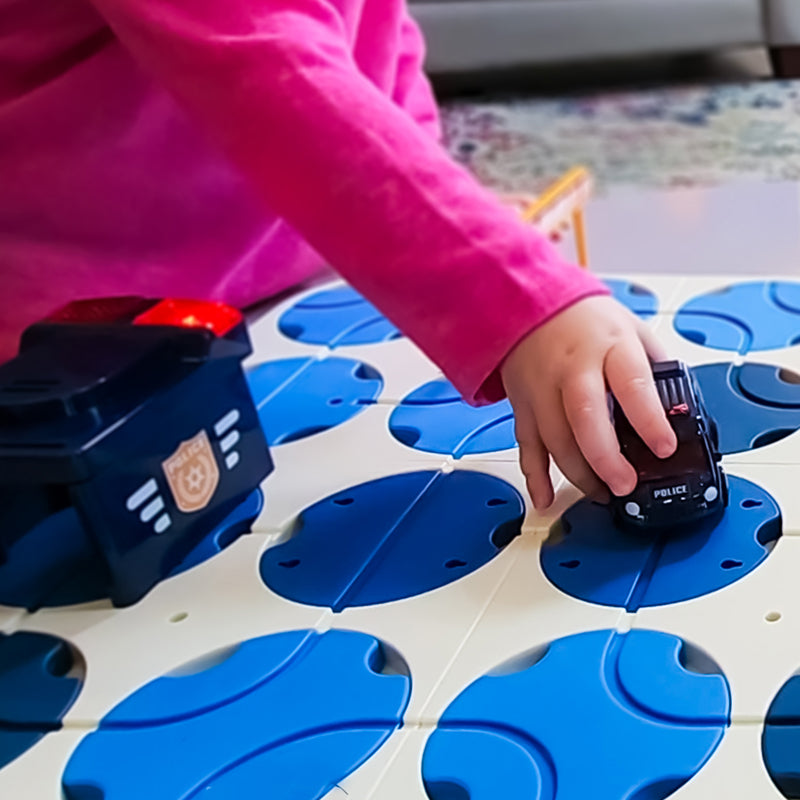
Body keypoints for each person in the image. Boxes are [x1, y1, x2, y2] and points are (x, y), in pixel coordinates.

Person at [0, 0, 676, 509]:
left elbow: (371, 41)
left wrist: (441, 214)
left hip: (290, 290)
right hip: (85, 344)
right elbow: (266, 67)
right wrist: (516, 298)